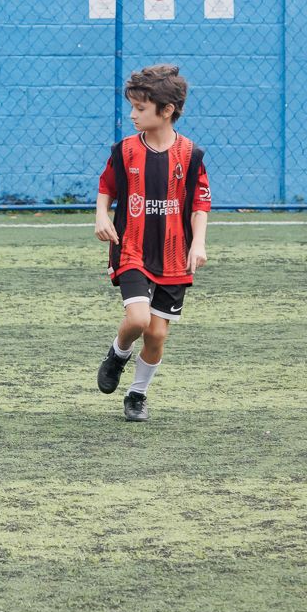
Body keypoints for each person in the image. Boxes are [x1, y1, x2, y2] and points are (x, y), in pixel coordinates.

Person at [94, 64, 211, 422]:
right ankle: (118, 353)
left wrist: (199, 244)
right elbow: (106, 188)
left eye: (140, 108)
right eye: (131, 106)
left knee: (157, 334)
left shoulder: (191, 155)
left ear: (167, 110)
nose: (132, 114)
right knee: (139, 319)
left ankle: (137, 394)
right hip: (132, 249)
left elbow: (200, 203)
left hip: (175, 257)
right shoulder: (125, 151)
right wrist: (101, 215)